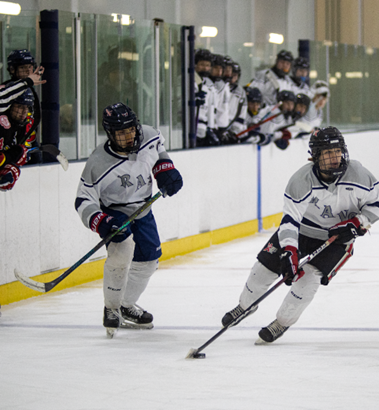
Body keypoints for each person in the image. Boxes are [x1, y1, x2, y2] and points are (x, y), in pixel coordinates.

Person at [221, 126, 379, 344]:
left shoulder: (358, 174)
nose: (335, 157)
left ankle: (281, 322)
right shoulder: (300, 180)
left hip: (337, 239)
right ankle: (245, 306)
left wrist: (358, 222)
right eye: (328, 153)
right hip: (301, 231)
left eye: (337, 151)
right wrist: (290, 250)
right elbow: (290, 221)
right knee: (262, 271)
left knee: (307, 280)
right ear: (315, 157)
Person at [74, 102, 183, 338]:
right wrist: (102, 222)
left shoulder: (150, 135)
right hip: (115, 211)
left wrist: (165, 169)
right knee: (121, 254)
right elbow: (83, 200)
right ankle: (111, 308)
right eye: (121, 133)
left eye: (131, 129)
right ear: (110, 134)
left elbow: (159, 152)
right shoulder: (98, 163)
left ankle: (125, 304)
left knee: (149, 261)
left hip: (143, 207)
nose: (129, 136)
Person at [0, 68, 47, 191]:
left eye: (26, 107)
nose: (23, 112)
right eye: (20, 107)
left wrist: (9, 171)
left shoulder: (20, 127)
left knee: (20, 152)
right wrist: (27, 81)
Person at [194, 49, 219, 147]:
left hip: (203, 129)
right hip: (192, 129)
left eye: (208, 65)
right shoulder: (187, 80)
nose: (205, 68)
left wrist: (211, 128)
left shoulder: (208, 83)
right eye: (202, 64)